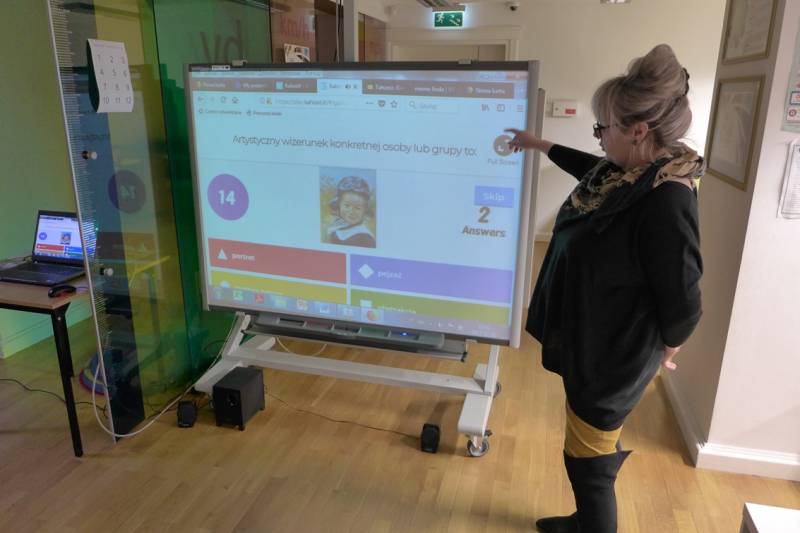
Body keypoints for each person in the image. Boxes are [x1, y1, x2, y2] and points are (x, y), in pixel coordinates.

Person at [506, 44, 704, 533]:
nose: (598, 138)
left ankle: (592, 526)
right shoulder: (630, 171)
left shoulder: (667, 198)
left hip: (614, 353)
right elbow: (588, 167)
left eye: (603, 128)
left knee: (587, 455)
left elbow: (684, 297)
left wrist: (669, 345)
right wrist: (539, 144)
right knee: (590, 439)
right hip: (596, 336)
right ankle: (585, 520)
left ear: (638, 130)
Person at [326, 175, 376, 248]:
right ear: (338, 204)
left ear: (365, 209)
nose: (352, 212)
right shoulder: (336, 228)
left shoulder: (365, 238)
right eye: (347, 206)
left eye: (357, 208)